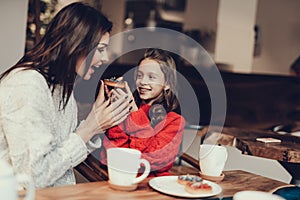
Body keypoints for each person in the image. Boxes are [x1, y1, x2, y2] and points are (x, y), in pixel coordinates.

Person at [0, 2, 131, 188]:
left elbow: (64, 151)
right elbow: (33, 177)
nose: (106, 58)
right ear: (77, 44)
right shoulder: (27, 84)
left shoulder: (61, 86)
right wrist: (90, 128)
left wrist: (98, 122)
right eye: (101, 49)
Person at [100, 48, 185, 176]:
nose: (143, 82)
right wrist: (117, 109)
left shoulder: (174, 121)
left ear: (167, 84)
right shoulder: (126, 109)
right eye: (140, 75)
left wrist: (135, 115)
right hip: (119, 178)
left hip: (151, 186)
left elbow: (154, 161)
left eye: (152, 77)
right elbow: (110, 156)